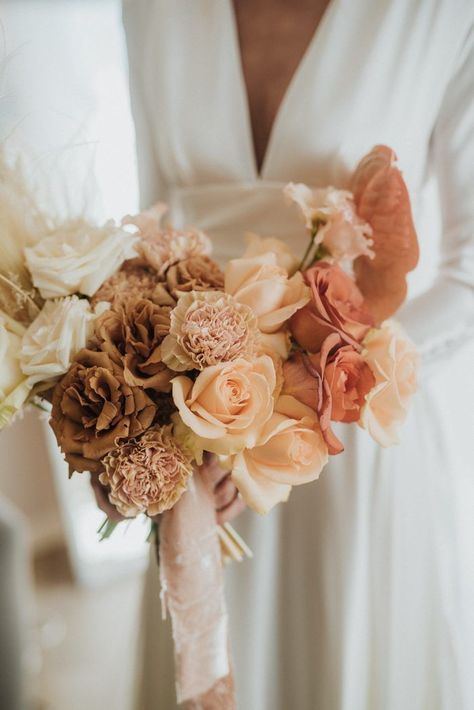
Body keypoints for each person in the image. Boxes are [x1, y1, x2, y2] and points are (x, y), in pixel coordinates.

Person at [93, 1, 474, 707]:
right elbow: (152, 232)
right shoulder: (149, 8)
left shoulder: (439, 13)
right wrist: (127, 416)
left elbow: (468, 269)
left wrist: (332, 379)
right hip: (197, 442)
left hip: (349, 438)